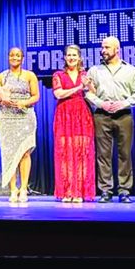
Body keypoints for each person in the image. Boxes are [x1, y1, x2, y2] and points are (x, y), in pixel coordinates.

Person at [84, 37, 135, 203]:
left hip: (123, 115)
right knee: (103, 155)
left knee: (124, 154)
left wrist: (122, 103)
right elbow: (88, 93)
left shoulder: (131, 71)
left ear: (117, 49)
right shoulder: (94, 71)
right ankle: (106, 190)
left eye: (107, 47)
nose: (103, 50)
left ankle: (124, 190)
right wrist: (101, 103)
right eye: (102, 47)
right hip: (102, 115)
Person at [0, 47, 39, 202]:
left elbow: (36, 96)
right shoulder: (1, 76)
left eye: (18, 55)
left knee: (24, 152)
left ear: (22, 58)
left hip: (25, 116)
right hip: (6, 117)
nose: (15, 58)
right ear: (8, 57)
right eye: (12, 55)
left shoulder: (29, 75)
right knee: (9, 153)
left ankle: (23, 188)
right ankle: (13, 189)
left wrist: (24, 102)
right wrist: (1, 100)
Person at [52, 44, 96, 203]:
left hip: (81, 115)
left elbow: (93, 93)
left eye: (74, 55)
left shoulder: (85, 74)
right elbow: (59, 94)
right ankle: (67, 191)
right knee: (65, 154)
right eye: (69, 55)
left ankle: (80, 192)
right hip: (64, 115)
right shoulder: (58, 75)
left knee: (81, 153)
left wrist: (88, 84)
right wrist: (79, 86)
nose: (71, 58)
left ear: (80, 58)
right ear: (64, 57)